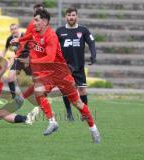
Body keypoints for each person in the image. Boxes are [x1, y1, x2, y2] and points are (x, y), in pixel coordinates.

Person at [14, 9, 100, 143]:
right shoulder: (36, 33)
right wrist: (18, 40)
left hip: (62, 74)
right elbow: (29, 36)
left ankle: (93, 129)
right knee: (39, 91)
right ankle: (52, 122)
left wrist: (30, 61)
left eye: (36, 20)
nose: (33, 23)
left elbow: (49, 57)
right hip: (48, 74)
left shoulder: (51, 36)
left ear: (44, 22)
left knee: (77, 103)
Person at [56, 7, 97, 121]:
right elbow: (52, 45)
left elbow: (92, 42)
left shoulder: (83, 30)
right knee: (66, 90)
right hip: (64, 68)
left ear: (77, 16)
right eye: (69, 15)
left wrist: (93, 55)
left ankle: (85, 113)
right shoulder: (59, 31)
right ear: (65, 17)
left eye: (73, 15)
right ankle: (69, 113)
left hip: (79, 67)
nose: (71, 17)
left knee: (82, 90)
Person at [1, 24, 32, 99]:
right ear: (10, 31)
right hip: (17, 60)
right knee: (10, 78)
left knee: (33, 81)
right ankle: (14, 98)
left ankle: (42, 95)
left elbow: (32, 48)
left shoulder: (24, 36)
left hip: (26, 59)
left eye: (15, 28)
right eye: (12, 29)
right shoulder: (10, 39)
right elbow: (5, 50)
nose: (14, 30)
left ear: (18, 29)